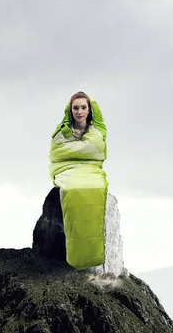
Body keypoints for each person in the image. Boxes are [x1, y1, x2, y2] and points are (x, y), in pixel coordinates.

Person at [49, 91, 109, 270]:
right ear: (70, 110)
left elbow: (96, 150)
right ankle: (76, 257)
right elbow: (57, 155)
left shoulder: (96, 131)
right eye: (76, 108)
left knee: (96, 188)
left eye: (84, 107)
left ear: (89, 110)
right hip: (67, 168)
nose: (80, 111)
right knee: (71, 190)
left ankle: (94, 254)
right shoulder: (62, 133)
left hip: (91, 168)